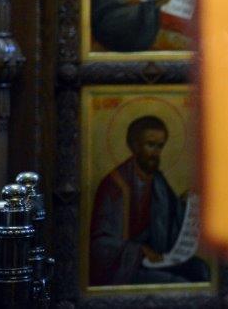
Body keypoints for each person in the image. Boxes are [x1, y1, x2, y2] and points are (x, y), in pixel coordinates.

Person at [88, 115, 209, 286]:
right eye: (150, 145)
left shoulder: (157, 180)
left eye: (160, 146)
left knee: (201, 270)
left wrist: (186, 204)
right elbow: (100, 244)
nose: (156, 153)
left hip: (156, 258)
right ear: (135, 145)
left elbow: (173, 218)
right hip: (125, 267)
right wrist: (139, 251)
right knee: (180, 282)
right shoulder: (114, 186)